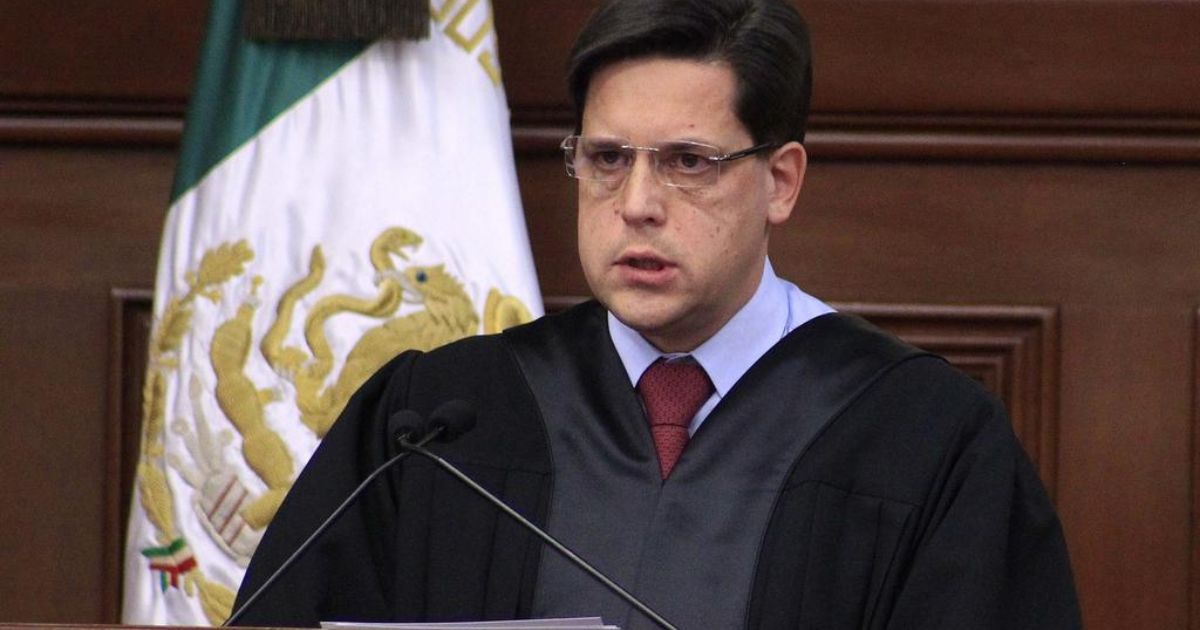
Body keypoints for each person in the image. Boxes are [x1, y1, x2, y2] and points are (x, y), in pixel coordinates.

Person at [233, 0, 1082, 628]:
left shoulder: (924, 437)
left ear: (781, 182)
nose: (637, 202)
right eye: (607, 158)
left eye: (688, 162)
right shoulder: (439, 419)